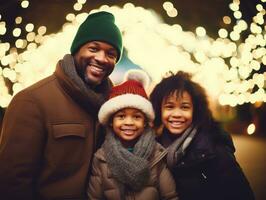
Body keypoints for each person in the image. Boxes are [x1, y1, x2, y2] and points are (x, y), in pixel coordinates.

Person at [0, 11, 123, 199]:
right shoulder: (32, 101)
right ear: (77, 50)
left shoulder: (112, 107)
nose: (101, 58)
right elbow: (12, 182)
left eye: (111, 54)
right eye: (93, 48)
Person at [149, 71, 255, 200]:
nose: (176, 114)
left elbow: (240, 194)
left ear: (195, 111)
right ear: (159, 110)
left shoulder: (213, 148)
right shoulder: (155, 148)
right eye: (169, 107)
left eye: (185, 107)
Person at [87, 70, 179, 200]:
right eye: (121, 116)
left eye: (136, 117)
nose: (129, 122)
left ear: (145, 123)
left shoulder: (156, 155)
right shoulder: (101, 158)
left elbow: (170, 196)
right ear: (111, 122)